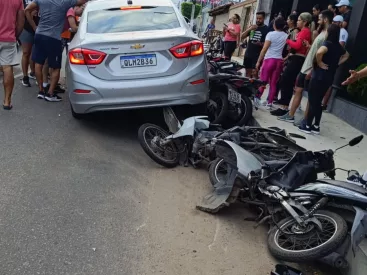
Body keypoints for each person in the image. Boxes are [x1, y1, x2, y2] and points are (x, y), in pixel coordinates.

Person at [278, 10, 334, 124]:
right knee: (298, 90)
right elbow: (313, 50)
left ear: (325, 19)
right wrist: (309, 46)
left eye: (319, 18)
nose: (317, 20)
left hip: (310, 67)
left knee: (309, 95)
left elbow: (322, 53)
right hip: (306, 66)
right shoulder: (318, 32)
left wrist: (315, 66)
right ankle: (291, 115)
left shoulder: (327, 34)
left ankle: (306, 120)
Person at [25, 0, 88, 102]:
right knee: (55, 67)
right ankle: (50, 93)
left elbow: (27, 9)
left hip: (39, 34)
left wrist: (34, 26)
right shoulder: (65, 2)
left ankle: (41, 91)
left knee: (38, 63)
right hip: (53, 38)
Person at [299, 24, 349, 134]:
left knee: (313, 101)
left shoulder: (327, 44)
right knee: (318, 101)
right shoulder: (338, 46)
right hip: (329, 78)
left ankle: (307, 125)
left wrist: (320, 62)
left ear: (328, 32)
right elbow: (346, 55)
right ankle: (316, 126)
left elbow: (319, 52)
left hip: (318, 76)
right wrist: (337, 64)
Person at [271, 13, 312, 117]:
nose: (297, 22)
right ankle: (283, 105)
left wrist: (288, 41)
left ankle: (284, 107)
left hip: (298, 58)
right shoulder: (303, 31)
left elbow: (297, 45)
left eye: (299, 20)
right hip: (295, 57)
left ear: (305, 22)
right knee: (285, 81)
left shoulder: (304, 31)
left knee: (286, 81)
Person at [254, 18, 288, 109]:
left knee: (262, 82)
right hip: (279, 61)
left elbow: (264, 49)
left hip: (269, 59)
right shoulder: (286, 35)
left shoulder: (270, 34)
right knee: (273, 83)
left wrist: (258, 61)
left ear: (274, 25)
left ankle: (256, 100)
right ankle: (269, 103)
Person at [0, 0, 25, 110]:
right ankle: (7, 101)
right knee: (7, 67)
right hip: (8, 38)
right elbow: (21, 21)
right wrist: (15, 35)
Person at [321, 15, 349, 110]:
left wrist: (337, 62)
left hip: (332, 61)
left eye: (336, 22)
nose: (334, 23)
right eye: (333, 22)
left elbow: (341, 47)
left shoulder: (342, 32)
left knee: (329, 83)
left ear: (340, 23)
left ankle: (323, 104)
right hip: (328, 59)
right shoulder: (333, 30)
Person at [241, 11, 268, 78]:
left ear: (264, 18)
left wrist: (260, 43)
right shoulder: (252, 27)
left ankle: (254, 87)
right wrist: (249, 29)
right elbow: (241, 36)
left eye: (260, 18)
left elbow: (267, 44)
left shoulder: (266, 29)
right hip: (248, 54)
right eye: (257, 18)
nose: (258, 20)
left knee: (255, 73)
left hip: (257, 56)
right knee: (247, 72)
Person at [19, 0, 39, 87]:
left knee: (35, 53)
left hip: (40, 27)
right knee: (26, 52)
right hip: (26, 28)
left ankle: (33, 72)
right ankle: (25, 77)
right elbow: (20, 12)